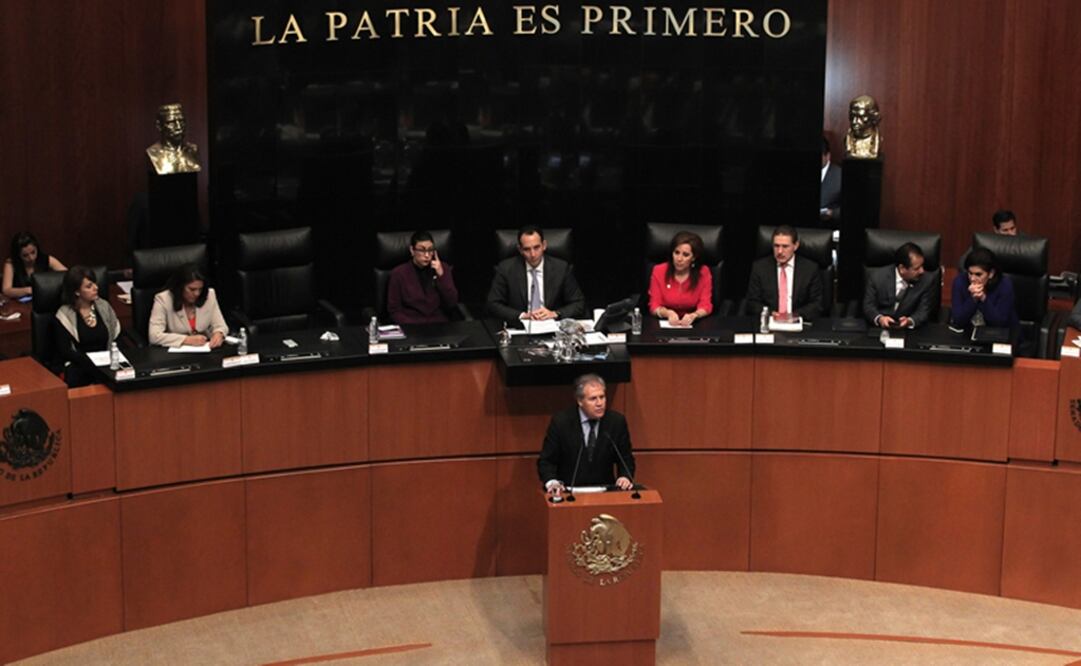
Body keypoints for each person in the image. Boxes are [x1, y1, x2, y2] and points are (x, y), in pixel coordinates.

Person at [538, 374, 635, 499]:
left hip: (606, 493)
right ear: (580, 401)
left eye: (602, 397)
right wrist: (552, 482)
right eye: (593, 399)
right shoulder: (561, 422)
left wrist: (625, 476)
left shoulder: (616, 422)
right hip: (569, 493)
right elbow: (546, 461)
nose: (600, 403)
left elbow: (626, 459)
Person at [487, 226, 585, 323]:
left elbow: (579, 303)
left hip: (552, 326)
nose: (533, 254)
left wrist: (555, 313)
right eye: (527, 249)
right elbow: (493, 304)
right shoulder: (506, 268)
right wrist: (522, 315)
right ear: (520, 250)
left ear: (544, 245)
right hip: (520, 327)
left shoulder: (561, 268)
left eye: (536, 247)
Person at [54, 267, 120, 388]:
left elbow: (115, 336)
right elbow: (66, 351)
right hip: (80, 367)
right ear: (77, 292)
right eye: (89, 286)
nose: (96, 288)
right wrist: (92, 363)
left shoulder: (104, 306)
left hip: (107, 364)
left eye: (95, 283)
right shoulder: (64, 315)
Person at [745, 225, 823, 319]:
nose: (780, 251)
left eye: (785, 246)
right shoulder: (760, 268)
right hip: (770, 322)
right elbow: (752, 303)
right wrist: (770, 314)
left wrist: (793, 316)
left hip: (798, 322)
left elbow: (817, 304)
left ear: (796, 246)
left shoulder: (810, 269)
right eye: (776, 246)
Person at [386, 231, 459, 325]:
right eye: (422, 250)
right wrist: (412, 326)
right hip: (411, 326)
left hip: (439, 326)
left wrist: (441, 276)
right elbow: (394, 311)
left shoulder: (442, 268)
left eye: (430, 250)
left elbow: (452, 303)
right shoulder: (398, 273)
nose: (427, 255)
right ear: (412, 250)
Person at [148, 264, 228, 348]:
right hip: (175, 354)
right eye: (192, 289)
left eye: (200, 289)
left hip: (205, 351)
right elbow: (154, 336)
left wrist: (219, 334)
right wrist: (186, 340)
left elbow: (221, 326)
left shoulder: (209, 295)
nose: (197, 294)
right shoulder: (163, 299)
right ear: (180, 287)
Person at [863, 243, 937, 329]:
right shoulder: (877, 276)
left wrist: (909, 320)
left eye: (922, 266)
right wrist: (880, 318)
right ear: (902, 269)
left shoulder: (927, 280)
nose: (922, 271)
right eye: (917, 268)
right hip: (879, 328)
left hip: (910, 332)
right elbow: (868, 306)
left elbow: (923, 311)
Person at [648, 230, 712, 326]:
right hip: (664, 323)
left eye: (685, 255)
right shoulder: (659, 270)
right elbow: (654, 305)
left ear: (693, 257)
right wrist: (668, 313)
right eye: (676, 252)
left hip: (694, 324)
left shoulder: (703, 272)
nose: (679, 259)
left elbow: (706, 305)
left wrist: (694, 315)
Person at [949, 248, 1018, 330]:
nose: (972, 279)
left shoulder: (1004, 285)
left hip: (1000, 336)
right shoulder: (960, 282)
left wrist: (983, 299)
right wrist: (973, 299)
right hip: (967, 336)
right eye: (970, 273)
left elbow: (999, 323)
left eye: (978, 274)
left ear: (991, 274)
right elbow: (958, 321)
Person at [2, 232, 66, 299]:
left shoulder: (45, 259)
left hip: (44, 300)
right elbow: (6, 290)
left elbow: (67, 275)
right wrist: (27, 290)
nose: (31, 258)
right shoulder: (11, 264)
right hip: (18, 304)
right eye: (25, 255)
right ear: (18, 255)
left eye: (33, 252)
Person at [146, 103, 201, 175]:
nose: (178, 127)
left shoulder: (193, 150)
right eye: (171, 122)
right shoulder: (152, 153)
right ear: (159, 126)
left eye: (181, 121)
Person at [845, 95, 881, 159]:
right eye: (852, 116)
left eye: (861, 117)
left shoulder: (879, 140)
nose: (854, 121)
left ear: (873, 117)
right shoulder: (847, 142)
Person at [820, 136, 842, 223]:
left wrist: (832, 213)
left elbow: (852, 207)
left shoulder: (840, 175)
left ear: (827, 156)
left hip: (829, 225)